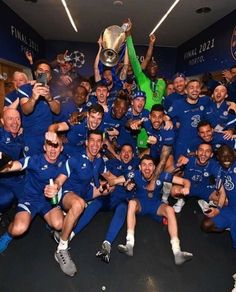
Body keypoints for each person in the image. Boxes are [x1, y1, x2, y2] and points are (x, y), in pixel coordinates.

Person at [44, 130, 111, 276]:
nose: (95, 144)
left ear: (101, 144)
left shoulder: (99, 161)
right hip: (68, 193)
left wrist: (107, 185)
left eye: (98, 141)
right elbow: (60, 179)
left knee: (107, 192)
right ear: (86, 142)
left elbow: (107, 177)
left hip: (86, 191)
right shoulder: (75, 159)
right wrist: (55, 186)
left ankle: (66, 221)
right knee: (79, 205)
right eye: (91, 140)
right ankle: (61, 249)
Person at [60, 144, 139, 263]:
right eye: (123, 151)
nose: (126, 154)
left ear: (133, 154)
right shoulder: (112, 163)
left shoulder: (136, 165)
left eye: (129, 152)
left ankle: (107, 244)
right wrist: (104, 183)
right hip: (108, 196)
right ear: (119, 153)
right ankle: (71, 234)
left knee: (123, 207)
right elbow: (100, 175)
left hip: (123, 199)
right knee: (96, 203)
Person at [117, 155, 193, 265]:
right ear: (140, 167)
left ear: (154, 167)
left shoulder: (161, 175)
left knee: (170, 210)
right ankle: (129, 245)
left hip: (155, 205)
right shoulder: (135, 174)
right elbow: (115, 180)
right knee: (132, 203)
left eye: (150, 165)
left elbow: (185, 181)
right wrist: (122, 184)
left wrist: (186, 188)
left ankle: (177, 252)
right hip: (141, 204)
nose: (147, 168)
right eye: (144, 165)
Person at [0, 133, 66, 254]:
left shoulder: (64, 161)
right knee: (19, 229)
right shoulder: (35, 160)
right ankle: (7, 236)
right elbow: (15, 165)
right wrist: (3, 165)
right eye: (49, 145)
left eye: (56, 146)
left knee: (59, 224)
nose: (52, 149)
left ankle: (49, 221)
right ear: (44, 147)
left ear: (61, 148)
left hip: (48, 202)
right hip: (30, 199)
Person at [125, 19, 166, 148]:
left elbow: (164, 102)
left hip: (159, 126)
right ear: (146, 69)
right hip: (143, 125)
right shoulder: (142, 79)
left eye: (156, 66)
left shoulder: (162, 83)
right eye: (150, 65)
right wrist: (128, 33)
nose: (153, 67)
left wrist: (167, 119)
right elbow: (132, 56)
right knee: (143, 156)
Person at [17, 59, 60, 156]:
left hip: (48, 137)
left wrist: (49, 98)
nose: (43, 74)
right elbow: (25, 110)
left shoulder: (54, 91)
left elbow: (57, 110)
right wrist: (33, 98)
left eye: (47, 72)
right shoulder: (25, 88)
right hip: (31, 138)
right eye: (40, 70)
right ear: (36, 73)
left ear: (50, 77)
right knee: (31, 166)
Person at [174, 143, 226, 213]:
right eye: (201, 150)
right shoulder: (188, 160)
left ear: (211, 155)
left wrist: (218, 210)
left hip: (205, 190)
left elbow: (222, 191)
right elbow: (170, 174)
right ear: (196, 152)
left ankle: (209, 202)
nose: (203, 154)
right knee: (174, 191)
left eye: (207, 151)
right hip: (188, 187)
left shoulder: (214, 165)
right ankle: (182, 199)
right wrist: (178, 164)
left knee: (225, 202)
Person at [201, 145, 236, 249]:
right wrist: (218, 209)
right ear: (218, 157)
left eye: (229, 156)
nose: (226, 159)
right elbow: (223, 191)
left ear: (234, 155)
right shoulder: (219, 170)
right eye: (223, 156)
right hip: (231, 208)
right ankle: (230, 225)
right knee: (206, 225)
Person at [0, 108, 24, 217]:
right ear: (2, 121)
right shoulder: (2, 137)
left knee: (32, 197)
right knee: (6, 197)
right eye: (10, 119)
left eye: (18, 118)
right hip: (3, 180)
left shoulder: (19, 136)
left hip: (17, 178)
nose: (15, 122)